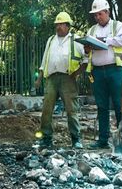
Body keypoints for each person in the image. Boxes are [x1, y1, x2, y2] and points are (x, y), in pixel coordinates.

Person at [35, 11, 87, 149]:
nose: (58, 27)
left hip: (67, 78)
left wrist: (76, 73)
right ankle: (46, 138)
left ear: (68, 26)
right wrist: (40, 78)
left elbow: (86, 59)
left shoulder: (76, 40)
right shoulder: (51, 40)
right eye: (57, 24)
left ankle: (76, 139)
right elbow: (45, 59)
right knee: (47, 109)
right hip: (51, 78)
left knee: (71, 109)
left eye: (61, 24)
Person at [84, 0, 122, 149]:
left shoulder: (118, 26)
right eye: (95, 15)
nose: (97, 17)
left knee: (120, 106)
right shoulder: (91, 30)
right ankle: (103, 140)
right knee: (102, 106)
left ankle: (120, 144)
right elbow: (86, 51)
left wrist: (105, 40)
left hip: (115, 70)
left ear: (107, 12)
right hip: (97, 72)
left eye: (100, 14)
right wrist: (88, 48)